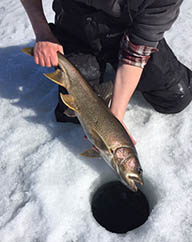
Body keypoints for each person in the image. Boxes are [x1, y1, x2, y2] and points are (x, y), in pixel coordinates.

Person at [20, 0, 192, 139]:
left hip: (129, 33)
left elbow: (136, 55)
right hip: (76, 27)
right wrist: (43, 33)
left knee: (176, 98)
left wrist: (114, 118)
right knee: (77, 115)